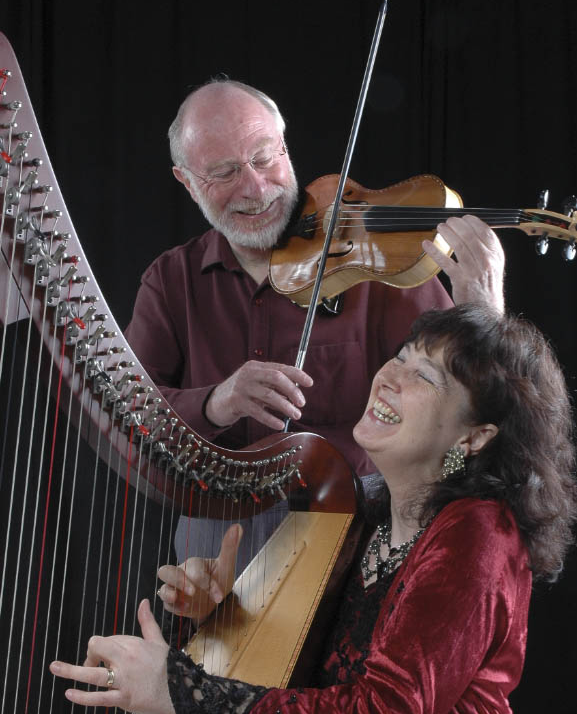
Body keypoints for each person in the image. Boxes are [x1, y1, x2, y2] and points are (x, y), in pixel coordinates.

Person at [51, 304, 577, 714]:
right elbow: (323, 658)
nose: (389, 376)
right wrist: (223, 614)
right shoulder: (367, 513)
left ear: (474, 437)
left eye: (425, 377)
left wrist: (179, 690)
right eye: (401, 357)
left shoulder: (477, 537)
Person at [124, 79, 506, 564]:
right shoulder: (171, 280)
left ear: (285, 146)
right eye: (224, 173)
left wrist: (485, 310)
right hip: (224, 528)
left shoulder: (373, 257)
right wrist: (216, 402)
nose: (255, 188)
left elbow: (467, 398)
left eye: (265, 158)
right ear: (186, 180)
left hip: (364, 515)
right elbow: (131, 417)